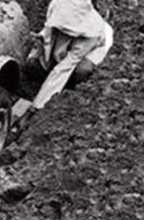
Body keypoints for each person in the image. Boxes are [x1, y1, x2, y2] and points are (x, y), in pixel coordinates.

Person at [13, 0, 114, 137]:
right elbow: (47, 36)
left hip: (94, 47)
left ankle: (68, 88)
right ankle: (42, 86)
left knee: (81, 70)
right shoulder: (59, 6)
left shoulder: (91, 36)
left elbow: (62, 70)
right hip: (72, 35)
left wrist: (34, 109)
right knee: (36, 64)